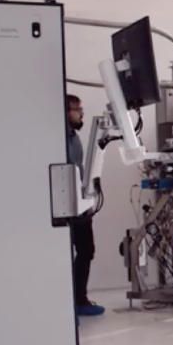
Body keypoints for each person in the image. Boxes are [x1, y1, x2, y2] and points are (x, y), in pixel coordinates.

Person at [67, 95, 105, 318]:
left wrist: (87, 200)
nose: (82, 113)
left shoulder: (75, 138)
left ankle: (79, 299)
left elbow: (79, 171)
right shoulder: (58, 139)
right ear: (65, 112)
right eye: (77, 109)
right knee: (70, 252)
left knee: (86, 251)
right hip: (67, 206)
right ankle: (75, 301)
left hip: (80, 206)